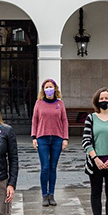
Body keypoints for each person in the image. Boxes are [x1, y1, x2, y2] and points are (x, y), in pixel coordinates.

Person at [31, 78, 68, 207]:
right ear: (43, 89)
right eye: (46, 87)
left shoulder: (60, 103)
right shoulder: (39, 103)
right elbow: (34, 120)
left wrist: (65, 138)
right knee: (45, 167)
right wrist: (34, 137)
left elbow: (64, 121)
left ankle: (52, 194)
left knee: (53, 167)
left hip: (57, 138)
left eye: (51, 86)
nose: (49, 89)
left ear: (55, 88)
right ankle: (44, 195)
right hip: (42, 138)